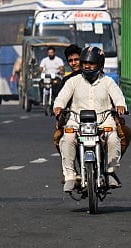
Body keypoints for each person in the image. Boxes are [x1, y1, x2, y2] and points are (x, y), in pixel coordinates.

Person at [53, 45, 126, 192]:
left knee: (113, 138)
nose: (87, 66)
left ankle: (111, 171)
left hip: (103, 119)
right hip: (76, 120)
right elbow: (62, 96)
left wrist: (120, 105)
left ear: (99, 65)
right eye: (85, 63)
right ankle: (70, 176)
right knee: (67, 139)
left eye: (91, 63)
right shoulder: (73, 81)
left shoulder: (108, 81)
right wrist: (58, 106)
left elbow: (117, 95)